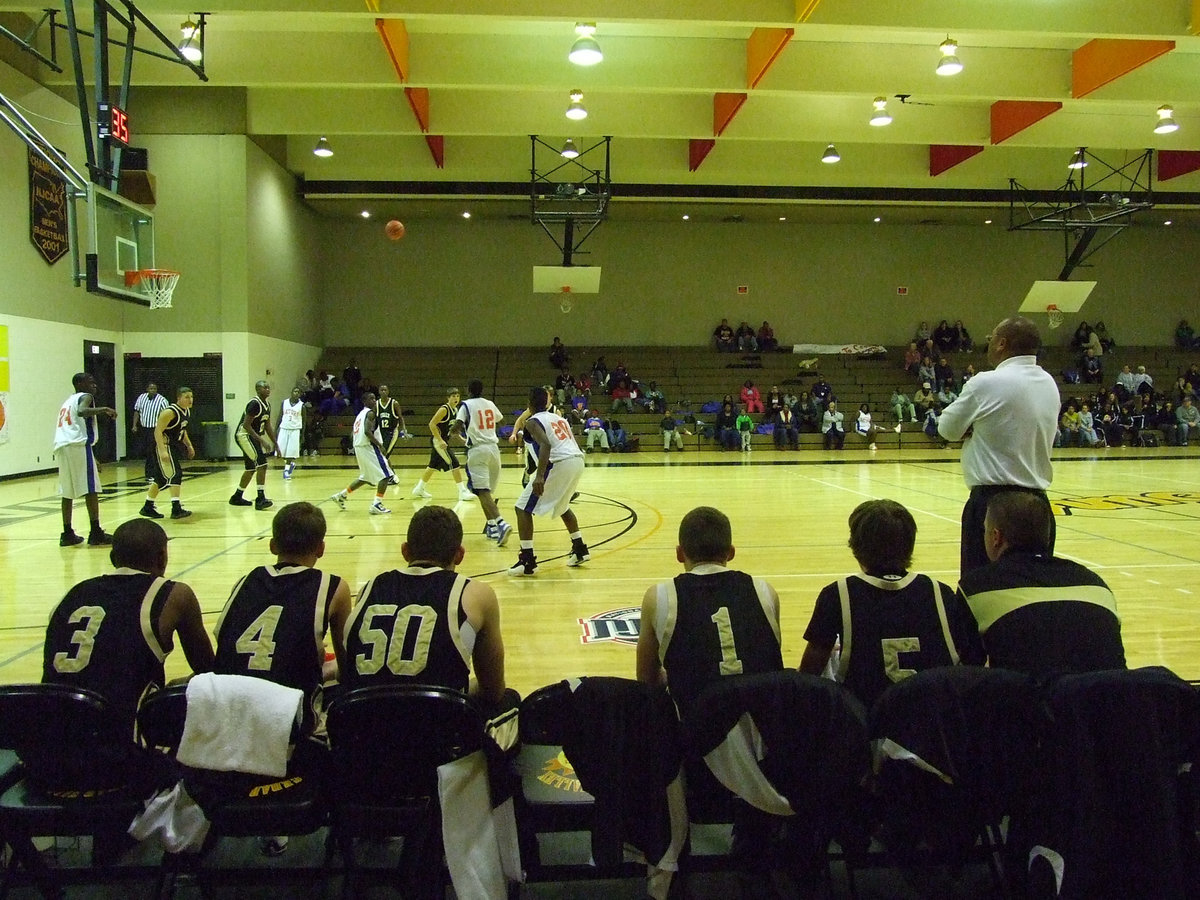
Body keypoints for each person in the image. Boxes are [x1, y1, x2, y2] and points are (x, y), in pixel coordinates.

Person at [798, 500, 980, 708]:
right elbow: (968, 662)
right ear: (910, 545)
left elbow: (808, 677)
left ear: (856, 546)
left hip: (867, 718)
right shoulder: (941, 592)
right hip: (931, 717)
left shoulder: (837, 594)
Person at [43, 518, 214, 738]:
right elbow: (208, 670)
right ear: (162, 557)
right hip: (116, 742)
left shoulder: (72, 594)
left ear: (113, 558)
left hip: (49, 734)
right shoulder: (174, 595)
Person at [342, 505, 507, 707]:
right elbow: (492, 691)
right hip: (437, 722)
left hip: (363, 721)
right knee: (509, 698)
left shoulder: (368, 589)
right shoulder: (476, 594)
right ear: (460, 555)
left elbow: (348, 675)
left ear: (405, 551)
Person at [214, 501, 353, 734]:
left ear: (272, 545)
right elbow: (348, 670)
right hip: (286, 721)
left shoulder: (244, 581)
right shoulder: (333, 586)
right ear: (321, 548)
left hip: (226, 712)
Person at [938, 316, 1059, 578]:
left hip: (994, 505)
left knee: (982, 587)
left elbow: (946, 429)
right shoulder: (1049, 383)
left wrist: (973, 427)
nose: (989, 343)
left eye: (991, 338)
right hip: (1038, 504)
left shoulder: (985, 382)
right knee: (1034, 586)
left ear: (1002, 343)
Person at [956, 491, 1125, 677]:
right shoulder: (1097, 585)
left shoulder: (977, 587)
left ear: (996, 537)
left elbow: (966, 671)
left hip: (1030, 695)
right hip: (1106, 694)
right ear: (1048, 536)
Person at [636, 506, 783, 717]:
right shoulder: (766, 592)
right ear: (731, 552)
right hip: (766, 727)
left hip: (697, 729)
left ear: (679, 554)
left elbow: (646, 679)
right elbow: (768, 661)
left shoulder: (657, 597)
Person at [507, 387, 588, 577]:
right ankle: (580, 549)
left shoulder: (532, 421)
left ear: (529, 404)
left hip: (558, 463)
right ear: (546, 402)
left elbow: (546, 444)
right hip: (577, 460)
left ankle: (527, 561)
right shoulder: (559, 419)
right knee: (563, 505)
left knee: (522, 509)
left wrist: (539, 476)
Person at [54, 372, 117, 546]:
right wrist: (105, 409)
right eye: (90, 382)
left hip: (63, 446)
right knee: (91, 489)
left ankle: (67, 533)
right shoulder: (85, 397)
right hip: (77, 446)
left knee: (67, 492)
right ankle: (96, 532)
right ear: (80, 384)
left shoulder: (68, 401)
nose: (94, 385)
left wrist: (92, 456)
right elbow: (82, 412)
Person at [454, 379, 513, 545]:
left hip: (477, 450)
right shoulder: (489, 403)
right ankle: (492, 526)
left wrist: (452, 431)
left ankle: (501, 523)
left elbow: (457, 426)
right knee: (484, 492)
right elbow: (502, 421)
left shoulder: (466, 405)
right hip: (494, 450)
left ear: (468, 390)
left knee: (483, 491)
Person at [331, 390, 396, 515]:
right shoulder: (370, 413)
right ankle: (377, 504)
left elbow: (352, 433)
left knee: (366, 477)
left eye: (374, 398)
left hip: (359, 446)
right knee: (386, 475)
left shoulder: (360, 414)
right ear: (364, 401)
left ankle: (341, 495)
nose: (374, 400)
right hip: (367, 446)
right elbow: (367, 431)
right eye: (371, 398)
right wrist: (380, 445)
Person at [140, 386, 195, 520]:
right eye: (187, 397)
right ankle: (176, 508)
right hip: (164, 445)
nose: (190, 400)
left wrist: (189, 445)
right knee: (176, 474)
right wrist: (162, 450)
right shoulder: (170, 412)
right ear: (179, 398)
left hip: (173, 445)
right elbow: (157, 431)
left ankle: (147, 507)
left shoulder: (186, 411)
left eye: (191, 397)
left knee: (160, 478)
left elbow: (183, 430)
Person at [412, 388, 475, 502]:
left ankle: (419, 488)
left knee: (432, 466)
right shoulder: (444, 409)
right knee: (454, 464)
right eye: (453, 396)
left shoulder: (456, 410)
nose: (456, 398)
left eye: (457, 396)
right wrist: (440, 440)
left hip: (444, 440)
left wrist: (462, 439)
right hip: (438, 442)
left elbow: (453, 430)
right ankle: (462, 492)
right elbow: (432, 424)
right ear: (448, 398)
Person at [230, 380, 276, 510]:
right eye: (264, 387)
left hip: (252, 437)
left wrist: (276, 443)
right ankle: (260, 498)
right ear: (258, 390)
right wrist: (262, 441)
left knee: (250, 468)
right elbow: (246, 425)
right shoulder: (254, 404)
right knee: (262, 464)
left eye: (268, 387)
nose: (268, 389)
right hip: (244, 435)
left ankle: (237, 496)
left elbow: (267, 425)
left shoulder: (267, 405)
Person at [131, 382, 168, 479]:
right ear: (147, 389)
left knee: (153, 451)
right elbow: (137, 411)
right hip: (144, 429)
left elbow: (166, 416)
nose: (153, 390)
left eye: (155, 389)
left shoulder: (162, 400)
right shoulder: (141, 397)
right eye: (151, 388)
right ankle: (149, 473)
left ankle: (154, 473)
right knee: (148, 451)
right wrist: (134, 425)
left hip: (155, 429)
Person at [277, 387, 304, 479]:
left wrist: (302, 435)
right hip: (284, 428)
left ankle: (286, 470)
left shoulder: (302, 406)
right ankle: (290, 464)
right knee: (281, 452)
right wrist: (275, 429)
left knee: (290, 452)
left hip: (295, 430)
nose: (297, 393)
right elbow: (280, 416)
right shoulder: (284, 403)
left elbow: (304, 421)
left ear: (300, 394)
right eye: (295, 391)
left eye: (298, 392)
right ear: (291, 392)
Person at [374, 383, 408, 456]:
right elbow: (373, 419)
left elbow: (400, 417)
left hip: (392, 432)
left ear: (388, 391)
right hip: (381, 432)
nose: (383, 392)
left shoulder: (394, 403)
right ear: (379, 392)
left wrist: (404, 430)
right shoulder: (376, 404)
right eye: (381, 390)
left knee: (385, 454)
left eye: (385, 390)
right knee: (382, 455)